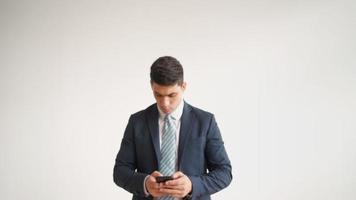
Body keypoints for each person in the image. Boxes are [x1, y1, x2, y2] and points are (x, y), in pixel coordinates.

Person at [113, 56, 232, 200]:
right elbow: (120, 171)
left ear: (183, 86)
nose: (165, 103)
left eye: (172, 95)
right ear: (152, 86)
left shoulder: (205, 122)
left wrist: (192, 185)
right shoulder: (137, 122)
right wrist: (145, 183)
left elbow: (224, 172)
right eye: (158, 94)